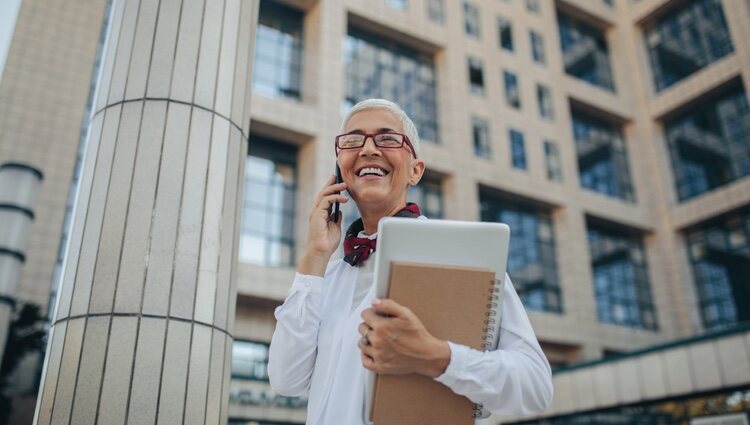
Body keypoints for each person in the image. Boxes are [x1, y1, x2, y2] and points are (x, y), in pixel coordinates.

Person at [268, 99, 553, 424]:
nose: (368, 149)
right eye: (352, 140)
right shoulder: (326, 276)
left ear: (415, 171)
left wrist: (435, 356)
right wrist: (315, 257)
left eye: (387, 138)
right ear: (340, 168)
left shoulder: (461, 257)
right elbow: (284, 379)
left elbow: (535, 386)